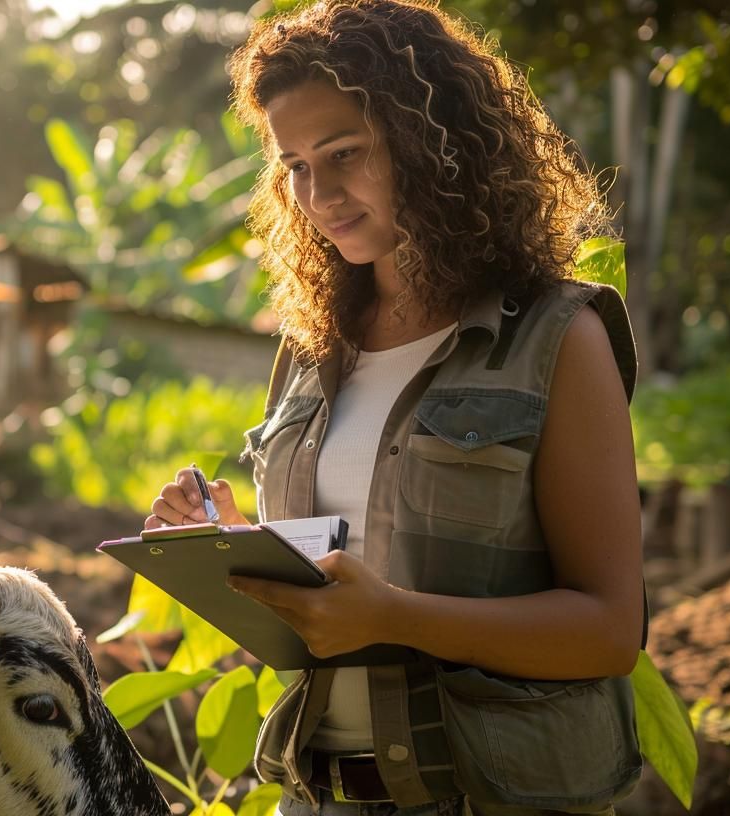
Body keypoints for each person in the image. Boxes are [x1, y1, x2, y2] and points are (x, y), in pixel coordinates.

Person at [143, 1, 645, 814]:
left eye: (344, 153)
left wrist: (398, 617)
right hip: (317, 794)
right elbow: (327, 597)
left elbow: (609, 630)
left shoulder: (558, 337)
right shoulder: (312, 348)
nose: (320, 192)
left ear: (433, 139)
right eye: (296, 165)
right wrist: (234, 549)